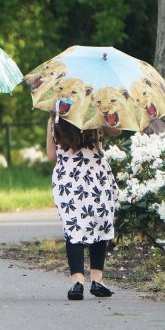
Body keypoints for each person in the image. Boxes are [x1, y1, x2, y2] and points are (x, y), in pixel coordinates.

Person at [46, 103, 120, 300]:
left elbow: (51, 155)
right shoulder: (95, 110)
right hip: (95, 174)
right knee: (99, 223)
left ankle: (77, 281)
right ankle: (97, 279)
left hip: (67, 177)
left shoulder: (55, 117)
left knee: (74, 227)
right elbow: (115, 131)